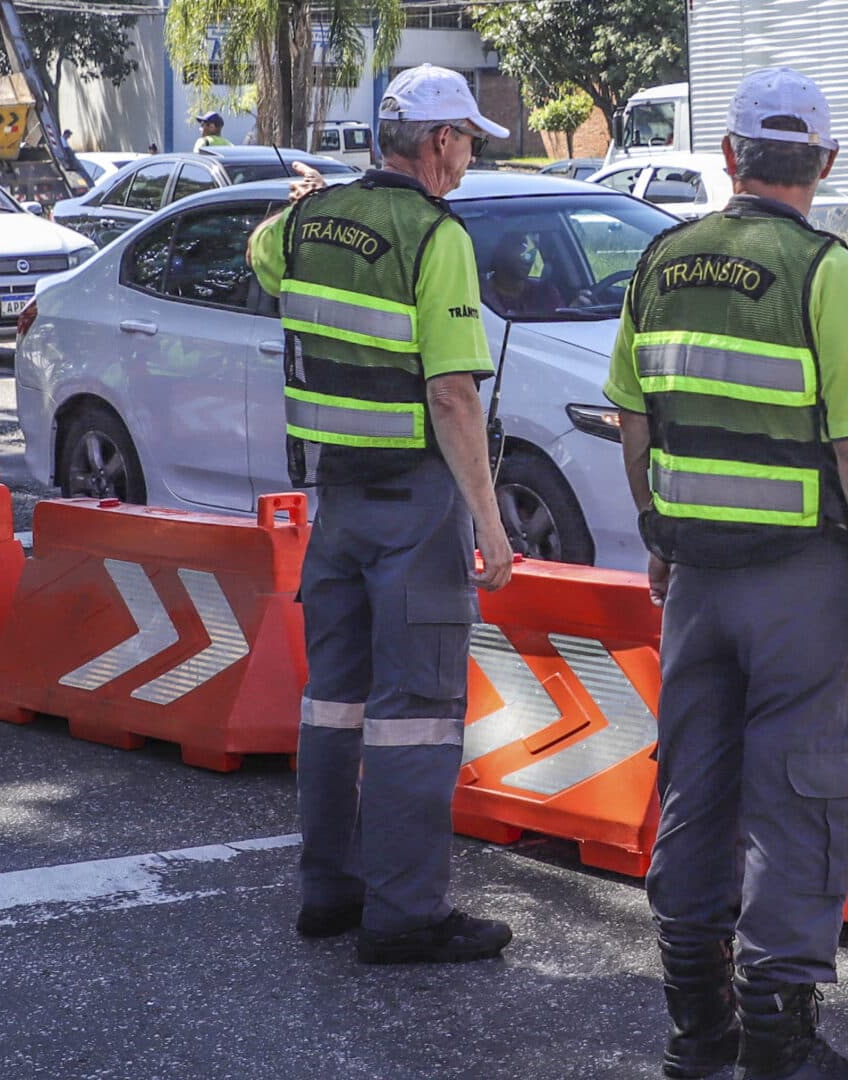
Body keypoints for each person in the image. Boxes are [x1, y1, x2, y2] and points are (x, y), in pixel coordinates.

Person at [604, 67, 848, 1080]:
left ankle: (697, 1034)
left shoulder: (660, 258)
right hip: (799, 580)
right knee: (797, 791)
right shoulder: (825, 272)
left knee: (697, 783)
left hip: (697, 579)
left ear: (733, 158)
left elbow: (634, 415)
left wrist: (659, 530)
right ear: (824, 164)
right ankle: (779, 1044)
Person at [245, 64, 516, 965]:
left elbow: (261, 256)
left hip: (340, 502)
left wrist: (300, 205)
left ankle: (329, 891)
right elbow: (451, 396)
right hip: (415, 506)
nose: (471, 155)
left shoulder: (309, 222)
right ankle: (404, 916)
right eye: (468, 139)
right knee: (417, 713)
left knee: (333, 704)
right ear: (437, 144)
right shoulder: (435, 235)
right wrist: (490, 519)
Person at [483, 231, 564, 317]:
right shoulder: (480, 295)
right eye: (523, 245)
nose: (530, 255)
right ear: (501, 249)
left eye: (535, 246)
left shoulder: (546, 294)